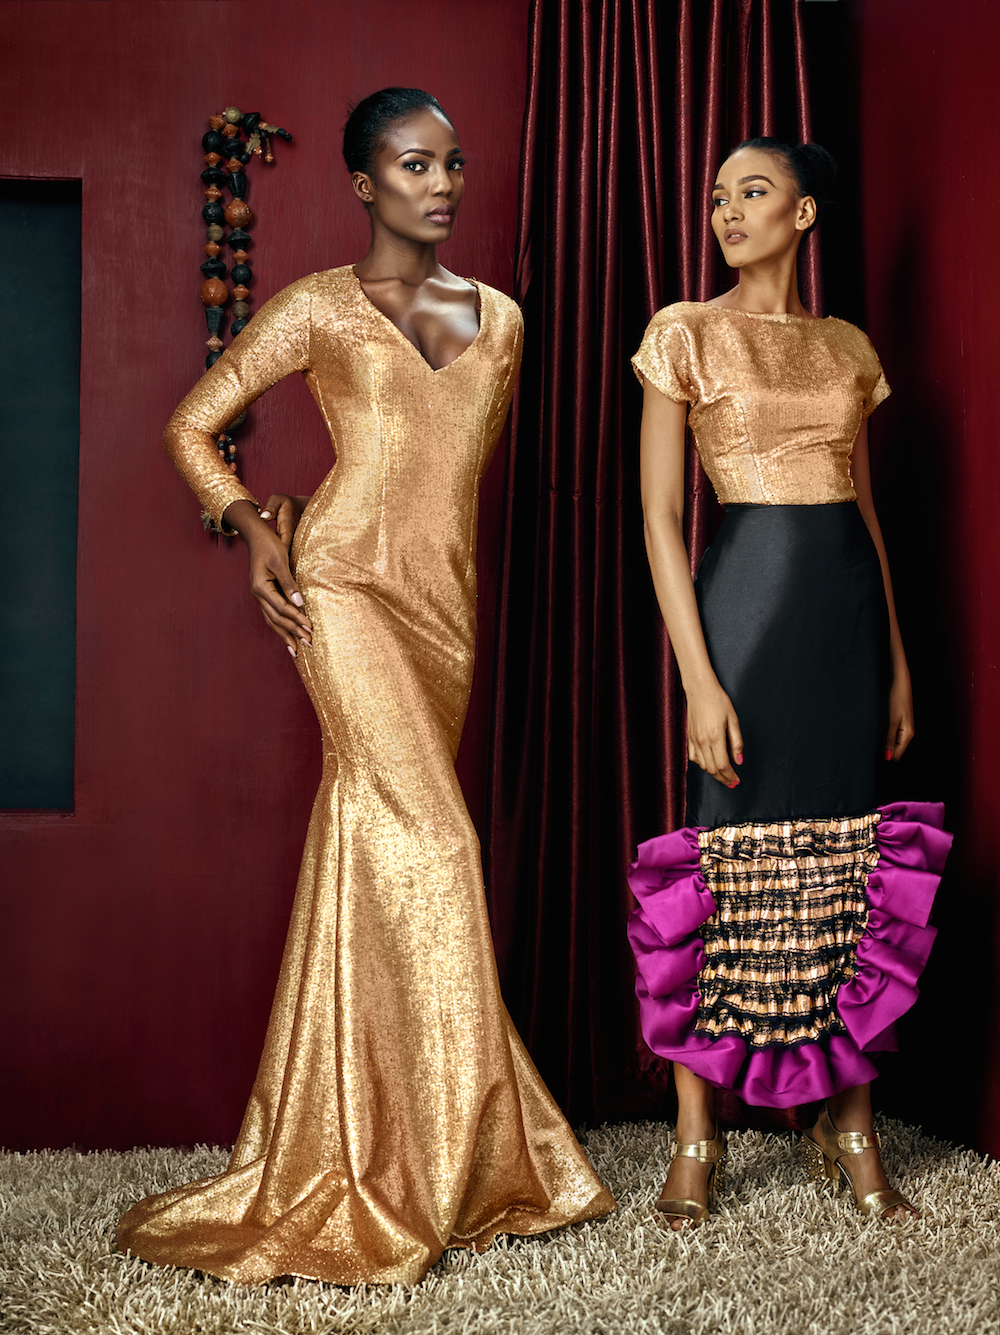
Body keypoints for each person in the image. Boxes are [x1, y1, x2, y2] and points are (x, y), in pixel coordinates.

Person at [116, 87, 614, 1286]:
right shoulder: (316, 308)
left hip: (446, 612)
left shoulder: (502, 320)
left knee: (372, 844)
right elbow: (192, 427)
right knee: (437, 842)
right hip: (336, 588)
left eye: (453, 163)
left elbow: (442, 476)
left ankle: (362, 1135)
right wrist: (256, 525)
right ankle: (452, 1155)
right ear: (362, 184)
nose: (442, 185)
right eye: (413, 165)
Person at [627, 138, 951, 1228]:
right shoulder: (684, 330)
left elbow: (867, 512)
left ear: (804, 214)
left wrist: (895, 655)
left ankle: (849, 1124)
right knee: (721, 859)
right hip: (743, 616)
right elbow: (659, 521)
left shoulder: (849, 348)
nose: (727, 210)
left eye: (753, 192)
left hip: (844, 621)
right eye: (718, 196)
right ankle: (697, 1132)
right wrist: (698, 679)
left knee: (848, 860)